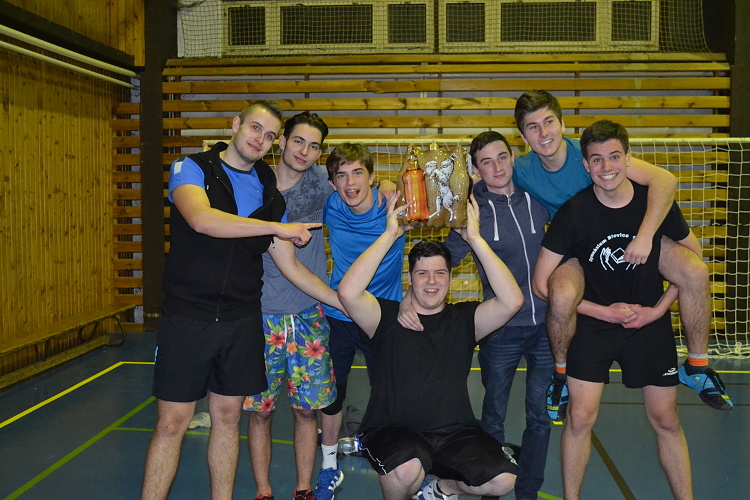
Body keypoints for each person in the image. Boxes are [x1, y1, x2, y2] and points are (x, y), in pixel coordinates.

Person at [142, 101, 342, 500]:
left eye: (268, 136)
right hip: (189, 315)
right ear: (235, 124)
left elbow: (288, 263)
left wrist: (343, 300)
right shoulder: (192, 167)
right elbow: (202, 219)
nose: (259, 140)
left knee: (229, 418)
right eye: (254, 128)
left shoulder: (268, 188)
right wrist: (275, 227)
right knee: (171, 422)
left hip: (242, 317)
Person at [514, 90, 732, 420]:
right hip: (577, 249)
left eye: (549, 122)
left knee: (695, 270)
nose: (543, 133)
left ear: (563, 124)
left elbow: (664, 179)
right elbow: (490, 178)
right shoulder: (522, 169)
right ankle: (561, 376)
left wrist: (645, 238)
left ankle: (698, 365)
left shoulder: (593, 155)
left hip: (628, 236)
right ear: (522, 136)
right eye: (533, 127)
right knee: (560, 294)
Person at [532, 120, 695, 500]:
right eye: (597, 159)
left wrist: (658, 311)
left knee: (666, 419)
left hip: (648, 323)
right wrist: (602, 312)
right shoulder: (573, 213)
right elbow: (542, 284)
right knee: (579, 419)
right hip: (595, 324)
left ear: (629, 158)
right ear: (585, 165)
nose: (606, 167)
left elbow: (694, 266)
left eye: (614, 156)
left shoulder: (655, 204)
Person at [243, 113, 395, 500]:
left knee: (307, 410)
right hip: (262, 314)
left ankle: (304, 488)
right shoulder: (257, 188)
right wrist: (345, 299)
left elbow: (357, 183)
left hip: (310, 314)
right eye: (298, 141)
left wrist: (388, 185)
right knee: (260, 412)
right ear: (281, 142)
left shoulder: (321, 184)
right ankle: (263, 490)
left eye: (313, 146)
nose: (304, 151)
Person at [337, 194, 522, 500]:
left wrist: (475, 239)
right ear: (411, 278)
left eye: (440, 273)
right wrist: (389, 235)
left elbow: (512, 301)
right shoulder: (384, 317)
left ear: (450, 277)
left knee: (502, 480)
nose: (431, 281)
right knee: (407, 470)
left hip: (454, 433)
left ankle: (441, 489)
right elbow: (347, 292)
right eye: (422, 273)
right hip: (392, 430)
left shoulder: (465, 319)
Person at [443, 132, 553, 500]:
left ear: (513, 157)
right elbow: (445, 259)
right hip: (502, 331)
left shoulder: (537, 199)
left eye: (502, 157)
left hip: (546, 328)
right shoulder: (472, 210)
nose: (497, 167)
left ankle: (528, 491)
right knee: (493, 416)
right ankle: (490, 487)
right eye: (486, 162)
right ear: (476, 170)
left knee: (539, 415)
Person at [315, 143, 406, 500]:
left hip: (381, 317)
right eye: (341, 175)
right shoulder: (331, 206)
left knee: (389, 392)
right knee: (331, 393)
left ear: (371, 176)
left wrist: (390, 184)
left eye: (358, 173)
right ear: (333, 183)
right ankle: (329, 465)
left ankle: (394, 456)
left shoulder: (392, 206)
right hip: (339, 316)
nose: (350, 183)